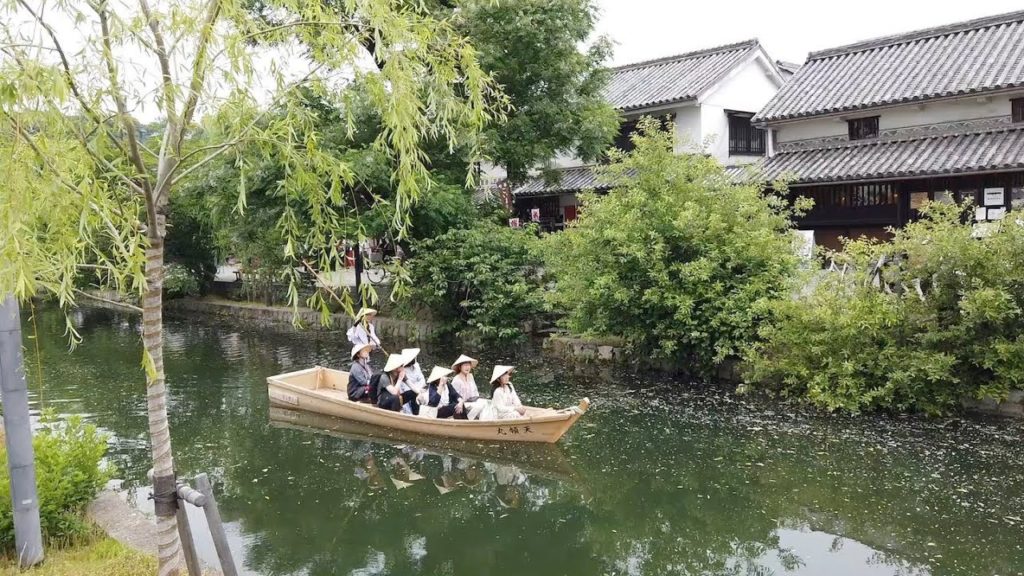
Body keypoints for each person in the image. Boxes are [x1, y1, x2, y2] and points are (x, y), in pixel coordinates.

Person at [451, 354, 486, 420]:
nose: (467, 367)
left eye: (468, 365)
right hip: (463, 404)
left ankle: (484, 422)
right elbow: (454, 396)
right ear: (460, 367)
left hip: (473, 401)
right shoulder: (456, 380)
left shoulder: (470, 376)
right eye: (465, 365)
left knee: (485, 404)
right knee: (480, 406)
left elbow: (475, 391)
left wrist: (477, 399)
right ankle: (469, 420)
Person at [399, 348, 426, 415]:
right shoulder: (402, 371)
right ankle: (416, 415)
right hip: (407, 393)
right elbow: (406, 388)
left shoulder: (416, 365)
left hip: (419, 389)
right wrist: (417, 391)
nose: (414, 358)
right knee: (414, 394)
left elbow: (422, 379)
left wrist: (419, 389)